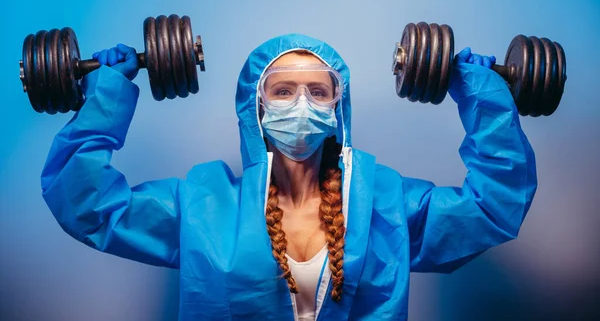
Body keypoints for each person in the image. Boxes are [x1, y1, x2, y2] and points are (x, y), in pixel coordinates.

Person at [41, 33, 535, 320]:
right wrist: (106, 94)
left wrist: (483, 95)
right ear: (256, 106)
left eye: (318, 92)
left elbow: (491, 207)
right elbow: (86, 204)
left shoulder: (383, 203)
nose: (302, 104)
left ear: (337, 107)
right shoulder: (204, 207)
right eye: (283, 91)